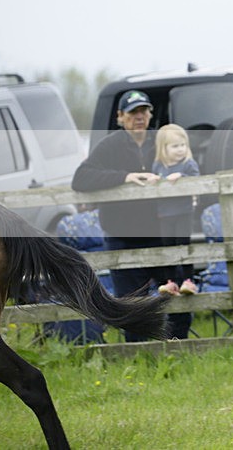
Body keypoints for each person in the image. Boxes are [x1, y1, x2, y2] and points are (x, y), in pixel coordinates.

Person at [71, 90, 192, 340]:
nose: (139, 117)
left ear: (150, 114)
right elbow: (80, 178)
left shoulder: (158, 142)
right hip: (122, 235)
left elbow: (186, 165)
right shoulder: (110, 145)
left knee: (176, 295)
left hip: (160, 233)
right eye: (133, 112)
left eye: (144, 111)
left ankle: (178, 348)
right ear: (120, 116)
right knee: (131, 304)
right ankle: (138, 354)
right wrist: (125, 177)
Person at [152, 124, 200, 296]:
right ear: (164, 148)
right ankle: (170, 282)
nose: (180, 150)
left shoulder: (188, 164)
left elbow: (197, 179)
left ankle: (189, 281)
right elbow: (155, 181)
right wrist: (155, 181)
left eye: (183, 145)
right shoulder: (159, 165)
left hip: (183, 212)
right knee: (168, 246)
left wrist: (182, 177)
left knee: (183, 244)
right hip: (164, 213)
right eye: (175, 146)